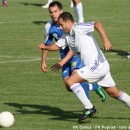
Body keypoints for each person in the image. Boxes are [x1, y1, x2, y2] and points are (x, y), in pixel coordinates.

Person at [37, 12, 130, 122]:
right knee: (114, 93)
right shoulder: (66, 35)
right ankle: (91, 103)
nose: (60, 27)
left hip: (97, 65)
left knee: (71, 81)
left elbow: (97, 24)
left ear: (68, 22)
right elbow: (56, 46)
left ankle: (89, 107)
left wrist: (105, 40)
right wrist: (45, 47)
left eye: (61, 25)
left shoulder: (79, 28)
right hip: (98, 66)